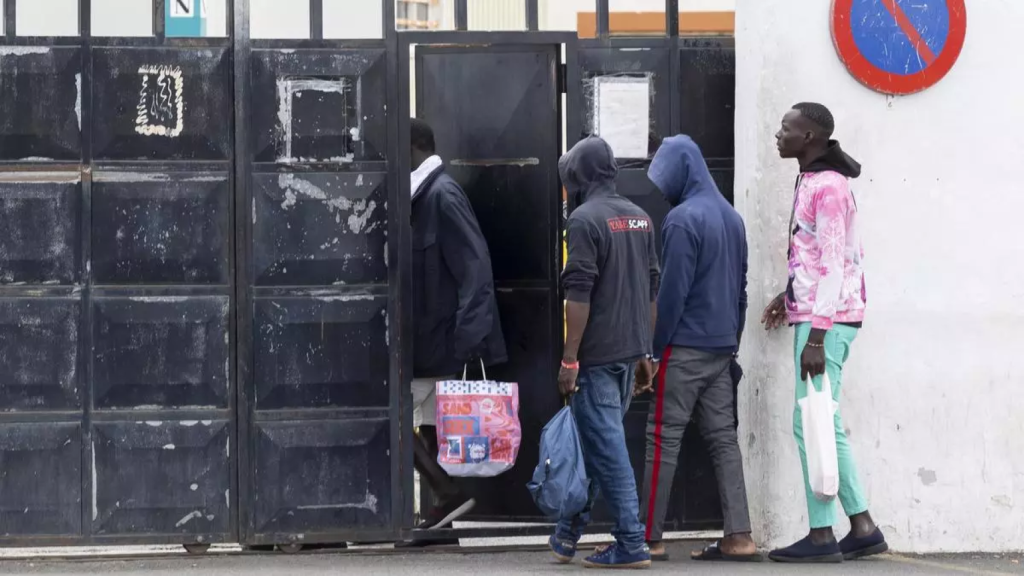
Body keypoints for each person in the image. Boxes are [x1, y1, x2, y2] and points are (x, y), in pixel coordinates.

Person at [763, 103, 887, 563]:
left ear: (811, 136)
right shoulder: (811, 180)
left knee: (811, 419)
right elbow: (817, 257)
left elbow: (836, 263)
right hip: (819, 312)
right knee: (822, 418)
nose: (779, 135)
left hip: (827, 321)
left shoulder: (830, 188)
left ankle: (821, 535)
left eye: (787, 129)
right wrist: (789, 293)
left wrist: (816, 334)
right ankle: (862, 526)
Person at [634, 135, 760, 562]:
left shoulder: (682, 220)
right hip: (722, 348)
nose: (662, 188)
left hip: (683, 349)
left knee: (661, 439)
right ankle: (739, 535)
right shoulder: (732, 217)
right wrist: (732, 340)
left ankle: (648, 538)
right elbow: (741, 290)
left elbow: (672, 295)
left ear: (681, 172)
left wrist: (653, 350)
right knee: (724, 440)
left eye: (664, 178)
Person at [548, 136, 659, 569]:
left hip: (595, 358)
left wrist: (570, 359)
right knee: (596, 444)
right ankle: (567, 534)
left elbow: (579, 291)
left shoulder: (583, 220)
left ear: (577, 175)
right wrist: (645, 351)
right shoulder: (640, 218)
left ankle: (631, 542)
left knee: (608, 452)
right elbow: (652, 287)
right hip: (629, 355)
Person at [409, 118, 507, 531]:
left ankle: (446, 492)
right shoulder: (423, 195)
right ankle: (441, 519)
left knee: (388, 416)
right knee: (429, 424)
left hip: (443, 340)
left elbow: (475, 267)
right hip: (431, 340)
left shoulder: (442, 196)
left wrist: (468, 337)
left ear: (410, 147)